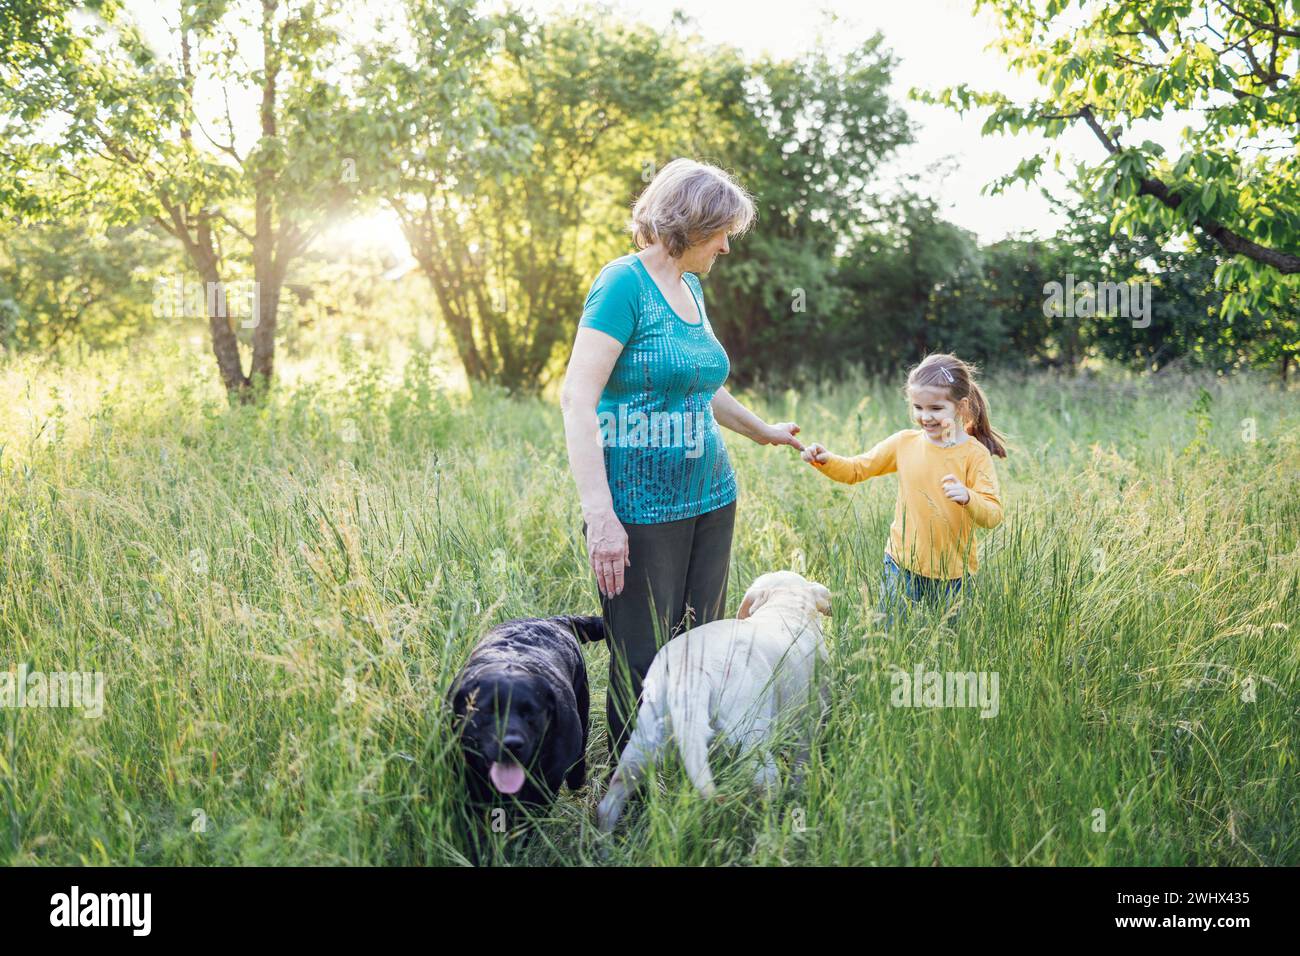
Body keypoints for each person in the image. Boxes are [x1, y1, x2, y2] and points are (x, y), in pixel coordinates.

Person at [560, 158, 803, 756]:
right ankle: (629, 789)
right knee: (642, 659)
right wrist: (600, 516)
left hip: (711, 496)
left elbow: (702, 385)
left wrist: (763, 431)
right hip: (640, 509)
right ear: (686, 224)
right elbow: (576, 398)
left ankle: (689, 764)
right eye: (719, 232)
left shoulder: (690, 287)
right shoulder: (623, 285)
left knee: (701, 646)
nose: (725, 246)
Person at [800, 353, 1006, 627]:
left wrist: (969, 497)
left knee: (948, 641)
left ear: (961, 406)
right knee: (890, 633)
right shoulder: (904, 443)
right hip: (901, 564)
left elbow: (993, 515)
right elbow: (856, 469)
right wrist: (825, 460)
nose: (925, 417)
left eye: (935, 408)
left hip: (953, 574)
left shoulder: (974, 455)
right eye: (918, 407)